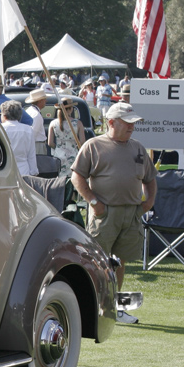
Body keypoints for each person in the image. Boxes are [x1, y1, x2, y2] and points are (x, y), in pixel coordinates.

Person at [70, 102, 157, 324]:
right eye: (127, 123)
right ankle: (92, 307)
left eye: (133, 123)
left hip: (131, 214)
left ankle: (115, 309)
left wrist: (148, 202)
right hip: (104, 214)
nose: (132, 127)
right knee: (97, 261)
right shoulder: (93, 145)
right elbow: (77, 176)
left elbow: (150, 178)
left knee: (120, 261)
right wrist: (94, 202)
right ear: (111, 122)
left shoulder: (138, 148)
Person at [47, 98, 85, 173]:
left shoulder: (53, 123)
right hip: (73, 154)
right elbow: (82, 141)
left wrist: (58, 147)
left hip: (58, 154)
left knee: (59, 176)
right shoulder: (78, 123)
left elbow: (50, 143)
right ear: (71, 109)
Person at [0, 100, 37, 176]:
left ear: (4, 116)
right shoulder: (28, 129)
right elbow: (31, 154)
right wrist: (34, 171)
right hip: (23, 170)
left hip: (4, 169)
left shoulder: (0, 128)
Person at [23, 89, 48, 154]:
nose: (46, 101)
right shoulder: (36, 114)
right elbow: (33, 134)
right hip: (37, 145)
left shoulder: (29, 110)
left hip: (34, 144)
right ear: (40, 101)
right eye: (44, 99)